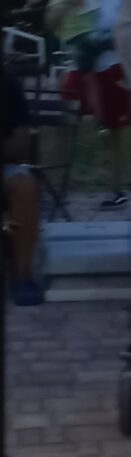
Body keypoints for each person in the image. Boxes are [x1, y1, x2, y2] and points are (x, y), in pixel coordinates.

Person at [64, 0, 131, 207]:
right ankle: (70, 181)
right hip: (85, 69)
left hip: (113, 66)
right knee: (74, 123)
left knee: (116, 131)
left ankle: (117, 188)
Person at [3, 68, 42, 303]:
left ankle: (22, 275)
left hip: (5, 165)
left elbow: (20, 146)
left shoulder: (8, 83)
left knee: (25, 186)